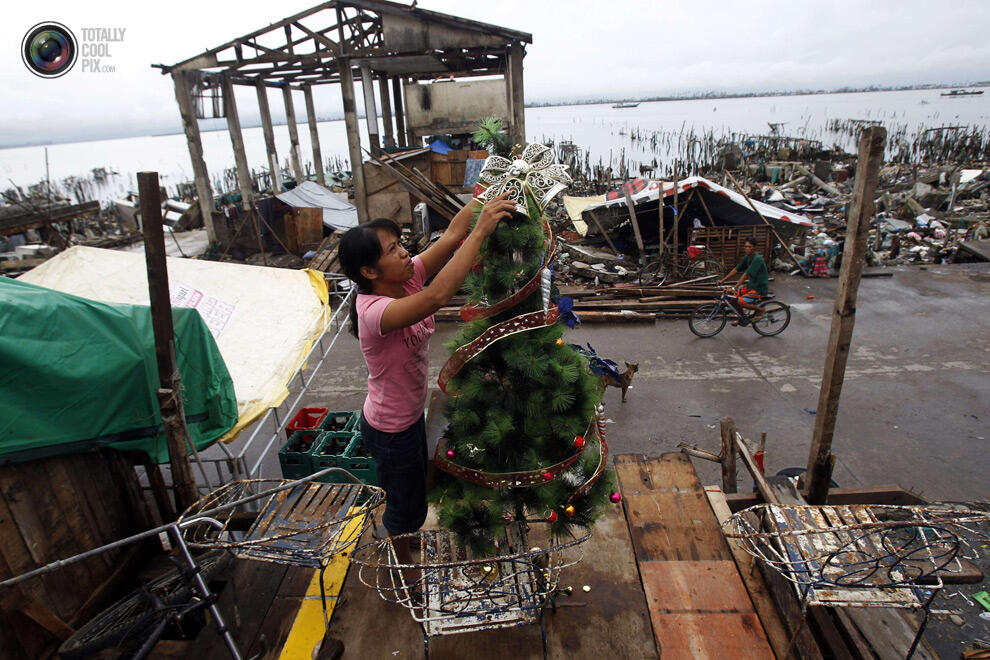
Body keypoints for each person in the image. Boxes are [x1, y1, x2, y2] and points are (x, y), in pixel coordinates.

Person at [338, 194, 515, 567]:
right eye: (392, 249)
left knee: (413, 492)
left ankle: (404, 536)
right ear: (369, 272)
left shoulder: (407, 277)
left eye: (400, 244)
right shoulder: (374, 311)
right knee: (406, 507)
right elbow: (438, 296)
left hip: (408, 418)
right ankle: (403, 566)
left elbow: (451, 235)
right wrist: (481, 232)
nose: (404, 253)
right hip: (390, 430)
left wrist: (483, 195)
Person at [718, 238, 769, 323]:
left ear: (755, 247)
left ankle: (761, 310)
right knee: (733, 299)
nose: (747, 248)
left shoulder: (757, 259)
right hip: (751, 286)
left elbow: (745, 275)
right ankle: (743, 318)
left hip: (759, 288)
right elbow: (736, 269)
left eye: (749, 247)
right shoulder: (747, 257)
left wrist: (734, 288)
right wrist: (722, 280)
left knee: (740, 302)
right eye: (745, 246)